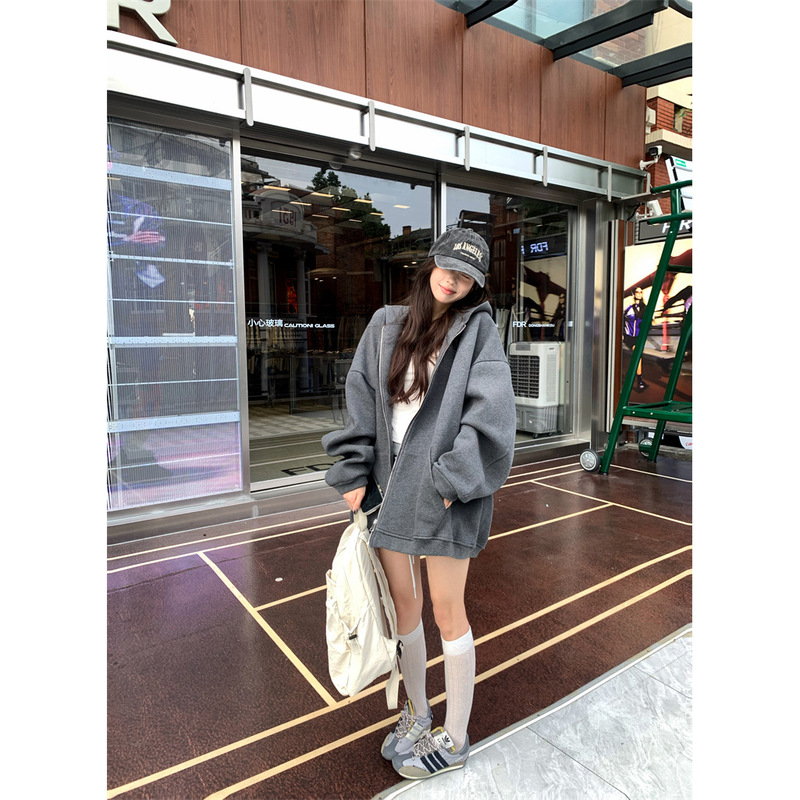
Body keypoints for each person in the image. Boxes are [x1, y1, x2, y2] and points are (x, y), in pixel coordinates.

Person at [322, 227, 516, 781]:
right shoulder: (386, 325)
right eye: (448, 267)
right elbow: (361, 399)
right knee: (404, 610)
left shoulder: (478, 331)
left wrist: (453, 479)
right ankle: (418, 712)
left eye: (466, 277)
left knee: (448, 611)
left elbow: (492, 414)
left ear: (476, 285)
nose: (453, 281)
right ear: (431, 263)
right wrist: (354, 470)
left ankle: (454, 737)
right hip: (390, 489)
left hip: (448, 494)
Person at [623, 285, 648, 392]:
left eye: (641, 292)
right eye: (637, 292)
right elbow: (621, 320)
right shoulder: (628, 308)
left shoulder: (644, 307)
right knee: (638, 356)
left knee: (638, 357)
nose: (639, 294)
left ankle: (639, 380)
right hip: (629, 337)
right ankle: (639, 382)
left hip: (638, 337)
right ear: (634, 294)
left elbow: (646, 320)